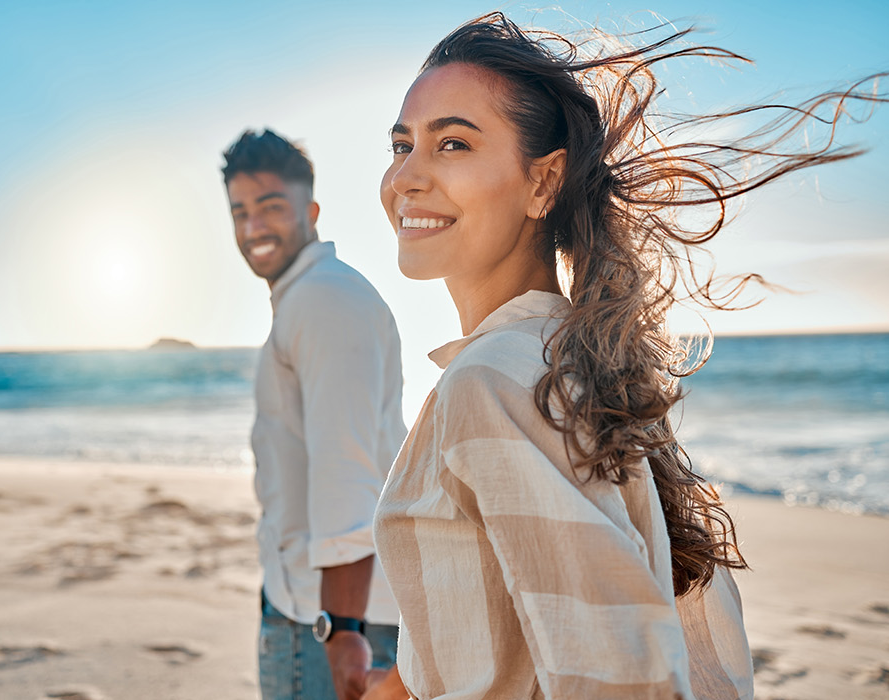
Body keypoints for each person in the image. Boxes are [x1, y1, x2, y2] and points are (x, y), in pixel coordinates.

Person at [365, 13, 883, 700]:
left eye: (452, 143)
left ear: (543, 183)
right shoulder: (566, 359)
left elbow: (616, 674)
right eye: (401, 145)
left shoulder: (494, 382)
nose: (406, 177)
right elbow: (521, 608)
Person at [221, 129, 405, 700]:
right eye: (240, 211)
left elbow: (344, 471)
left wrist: (341, 629)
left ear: (312, 210)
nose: (253, 228)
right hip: (312, 603)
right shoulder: (310, 298)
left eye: (271, 207)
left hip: (326, 619)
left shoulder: (324, 299)